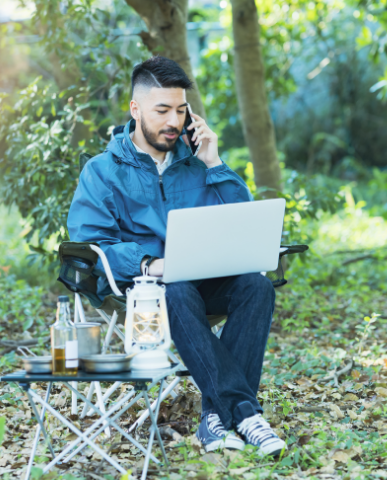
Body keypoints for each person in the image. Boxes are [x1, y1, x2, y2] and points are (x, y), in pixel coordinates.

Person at [67, 56, 286, 458]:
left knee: (256, 287)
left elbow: (242, 220)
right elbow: (91, 242)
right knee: (177, 288)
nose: (173, 120)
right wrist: (149, 264)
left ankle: (215, 420)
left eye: (181, 110)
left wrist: (214, 162)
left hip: (203, 279)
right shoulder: (102, 171)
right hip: (142, 290)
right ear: (135, 110)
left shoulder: (197, 164)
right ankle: (242, 412)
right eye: (162, 110)